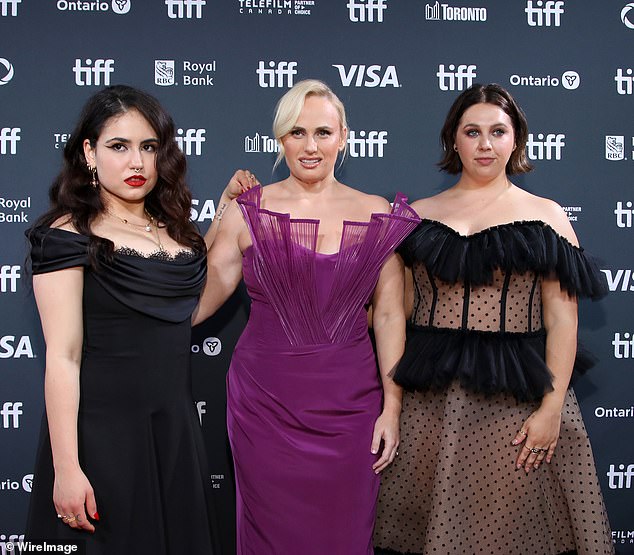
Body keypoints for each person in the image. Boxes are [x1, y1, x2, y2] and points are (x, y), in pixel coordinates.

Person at [374, 83, 613, 555]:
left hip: (515, 404)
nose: (485, 144)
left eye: (497, 131)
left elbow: (563, 320)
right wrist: (393, 405)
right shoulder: (416, 217)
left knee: (503, 535)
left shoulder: (547, 216)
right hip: (431, 406)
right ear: (453, 141)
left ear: (516, 140)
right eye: (472, 131)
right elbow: (393, 315)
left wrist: (550, 410)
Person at [192, 79, 420, 555]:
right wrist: (217, 216)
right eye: (297, 133)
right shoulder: (247, 213)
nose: (310, 146)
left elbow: (389, 319)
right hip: (264, 405)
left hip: (351, 405)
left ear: (344, 137)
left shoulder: (377, 214)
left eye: (322, 132)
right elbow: (197, 303)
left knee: (345, 534)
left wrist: (392, 407)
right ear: (280, 140)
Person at [25, 84, 229, 554]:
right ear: (88, 153)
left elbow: (181, 309)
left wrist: (226, 217)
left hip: (174, 433)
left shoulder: (175, 232)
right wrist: (67, 468)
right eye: (118, 146)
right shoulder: (66, 235)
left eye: (148, 147)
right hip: (102, 439)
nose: (136, 162)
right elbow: (63, 357)